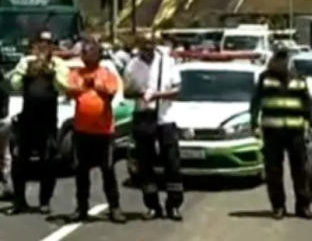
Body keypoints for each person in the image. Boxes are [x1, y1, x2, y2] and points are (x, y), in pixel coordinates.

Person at [6, 31, 68, 214]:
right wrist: (26, 70)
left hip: (47, 121)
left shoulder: (59, 64)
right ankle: (19, 201)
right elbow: (15, 84)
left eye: (47, 42)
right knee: (20, 162)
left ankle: (44, 201)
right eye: (40, 42)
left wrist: (52, 70)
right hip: (27, 121)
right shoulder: (25, 62)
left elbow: (64, 87)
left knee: (48, 162)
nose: (43, 45)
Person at [249, 49, 312, 220]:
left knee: (300, 171)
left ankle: (303, 206)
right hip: (272, 131)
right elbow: (255, 102)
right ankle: (278, 206)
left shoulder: (299, 78)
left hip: (295, 131)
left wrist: (310, 123)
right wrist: (254, 123)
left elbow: (307, 103)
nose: (281, 64)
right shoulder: (265, 78)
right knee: (274, 172)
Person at [123, 36, 183, 221]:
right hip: (143, 117)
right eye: (143, 48)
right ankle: (152, 205)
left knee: (171, 162)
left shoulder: (167, 62)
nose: (147, 52)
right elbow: (126, 92)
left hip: (165, 118)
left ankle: (173, 204)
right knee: (145, 164)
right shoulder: (132, 65)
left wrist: (157, 95)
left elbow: (177, 90)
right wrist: (141, 93)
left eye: (150, 47)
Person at [66, 42, 125, 223]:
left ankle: (114, 207)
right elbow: (71, 90)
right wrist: (84, 85)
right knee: (81, 171)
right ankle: (81, 207)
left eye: (90, 52)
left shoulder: (106, 74)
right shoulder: (76, 74)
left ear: (98, 55)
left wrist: (97, 84)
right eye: (84, 53)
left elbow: (111, 90)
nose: (86, 56)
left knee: (108, 170)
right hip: (82, 131)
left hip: (103, 132)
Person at [0, 61, 11, 199]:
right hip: (4, 123)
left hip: (2, 122)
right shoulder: (4, 89)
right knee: (5, 156)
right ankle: (7, 184)